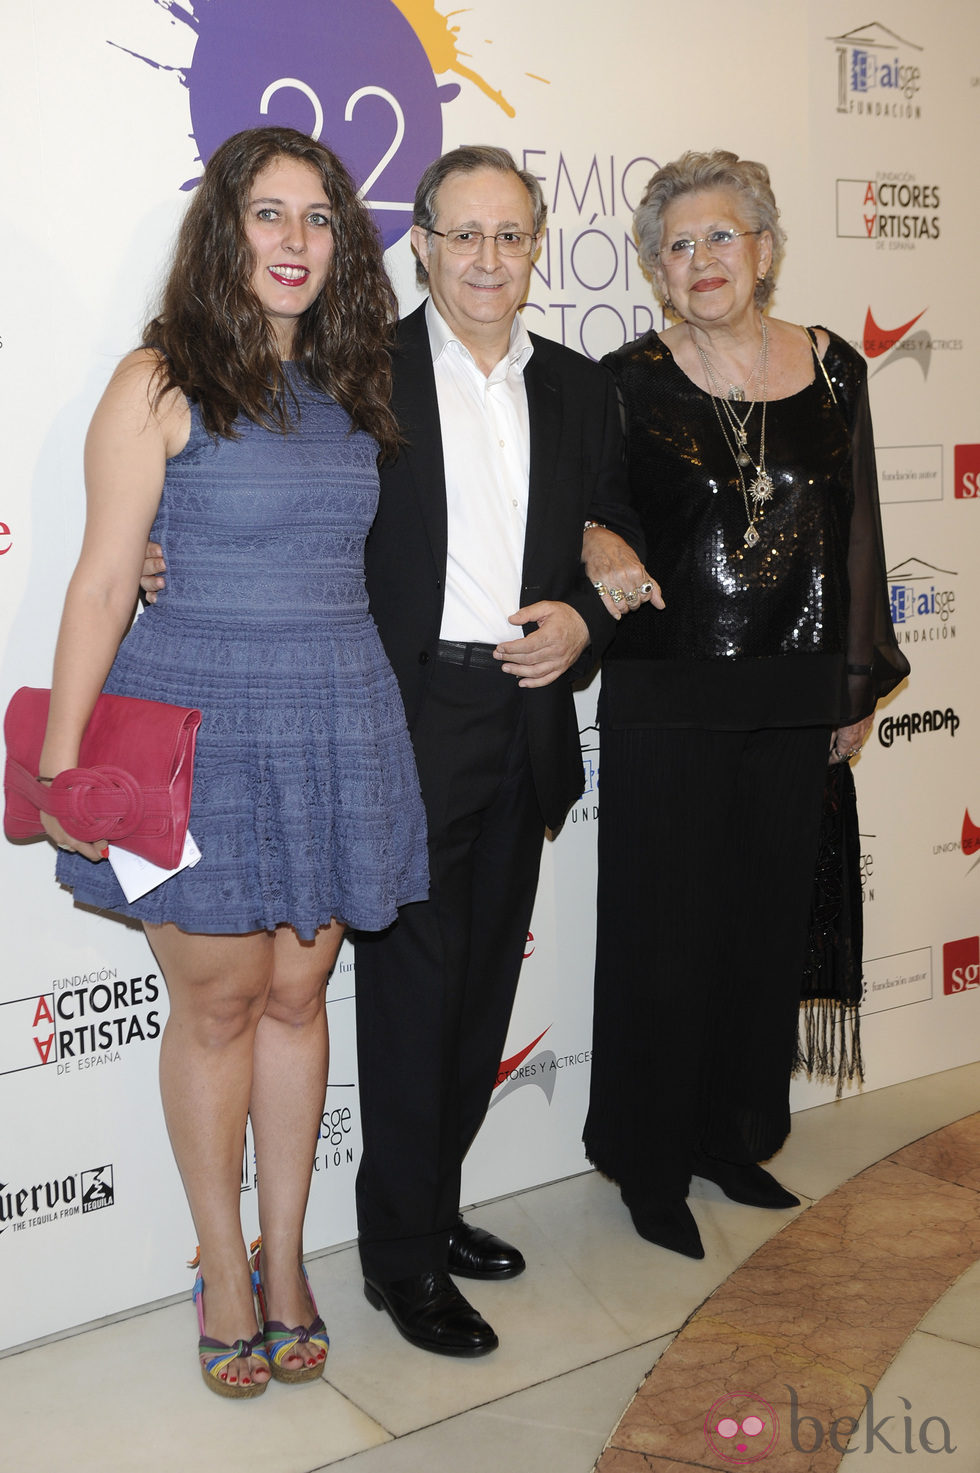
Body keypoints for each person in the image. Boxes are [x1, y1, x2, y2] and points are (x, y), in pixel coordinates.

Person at [143, 142, 652, 1357]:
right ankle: (399, 1260)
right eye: (461, 234)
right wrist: (167, 553)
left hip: (524, 717)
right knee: (410, 1003)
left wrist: (589, 610)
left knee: (480, 999)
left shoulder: (582, 388)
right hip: (389, 718)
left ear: (537, 251)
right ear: (418, 242)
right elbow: (251, 482)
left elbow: (612, 517)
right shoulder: (349, 370)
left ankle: (436, 1204)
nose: (486, 258)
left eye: (510, 235)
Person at [37, 126, 428, 1396]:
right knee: (212, 1006)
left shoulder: (356, 378)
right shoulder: (158, 379)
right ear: (225, 229)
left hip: (333, 715)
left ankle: (286, 1252)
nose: (296, 242)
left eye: (318, 219)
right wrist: (56, 773)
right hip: (196, 722)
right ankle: (221, 1267)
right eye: (269, 214)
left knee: (299, 1002)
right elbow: (103, 582)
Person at [580, 150, 908, 1261]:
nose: (700, 260)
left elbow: (855, 522)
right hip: (667, 690)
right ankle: (647, 1159)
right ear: (655, 273)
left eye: (721, 236)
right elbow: (582, 511)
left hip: (791, 689)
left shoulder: (830, 368)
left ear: (763, 248)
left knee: (761, 928)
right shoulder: (621, 382)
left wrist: (854, 677)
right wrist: (599, 538)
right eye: (676, 246)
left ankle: (730, 1138)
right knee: (659, 935)